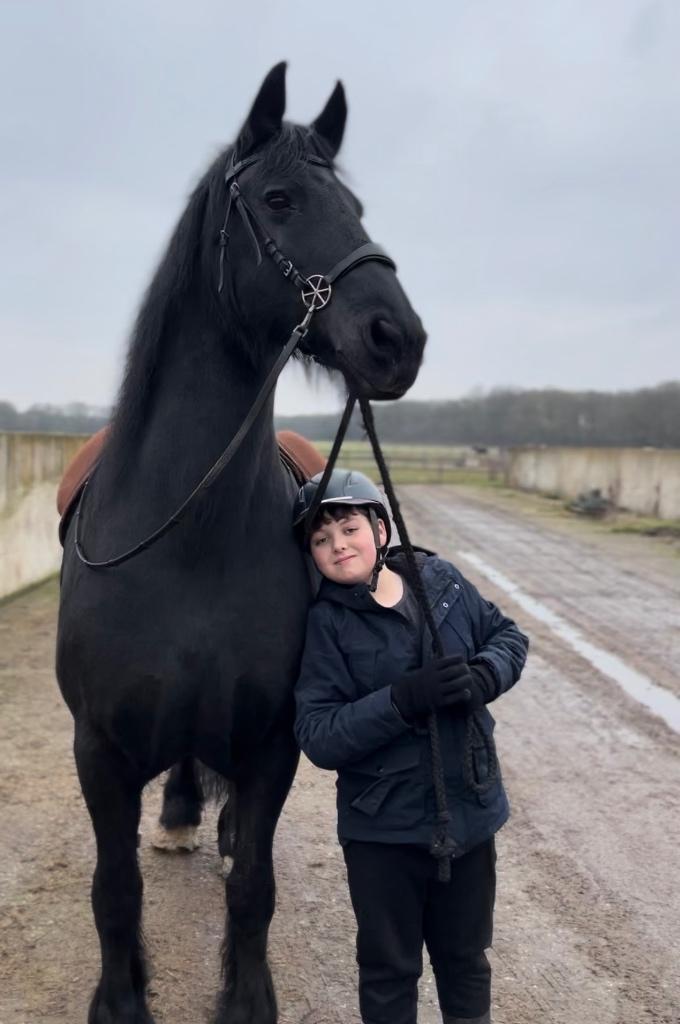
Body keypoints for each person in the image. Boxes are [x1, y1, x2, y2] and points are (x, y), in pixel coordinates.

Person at [292, 468, 529, 1024]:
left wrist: (485, 676)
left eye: (348, 528)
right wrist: (400, 700)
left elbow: (508, 637)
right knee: (389, 970)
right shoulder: (326, 624)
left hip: (470, 815)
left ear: (380, 529)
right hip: (382, 833)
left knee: (466, 961)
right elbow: (318, 734)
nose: (337, 546)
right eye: (321, 541)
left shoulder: (441, 583)